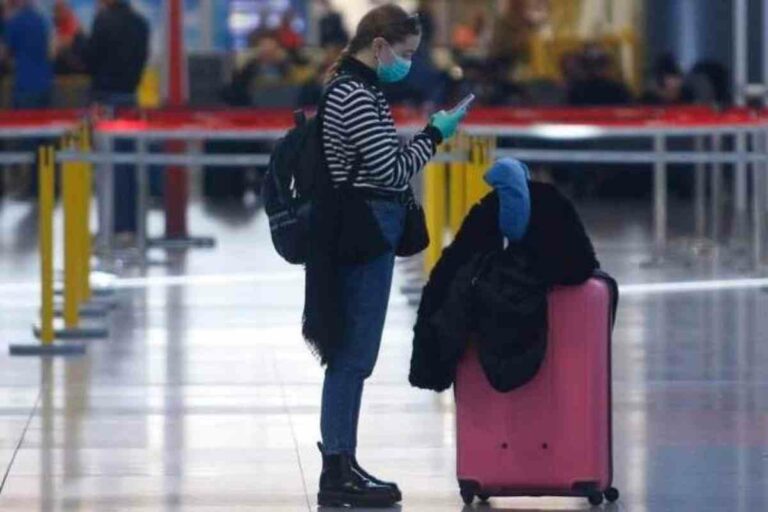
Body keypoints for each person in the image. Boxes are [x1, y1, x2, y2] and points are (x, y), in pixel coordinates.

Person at [302, 4, 467, 508]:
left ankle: (343, 461)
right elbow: (393, 171)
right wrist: (435, 134)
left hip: (362, 227)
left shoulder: (357, 86)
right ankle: (337, 469)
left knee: (352, 354)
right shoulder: (354, 94)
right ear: (378, 46)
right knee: (352, 356)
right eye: (405, 52)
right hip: (363, 229)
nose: (408, 63)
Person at [410, 158, 599, 391]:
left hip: (484, 382)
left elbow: (442, 283)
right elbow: (581, 266)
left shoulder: (483, 219)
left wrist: (428, 372)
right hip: (556, 381)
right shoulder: (556, 212)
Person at [86, 0, 149, 242]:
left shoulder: (103, 21)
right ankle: (129, 226)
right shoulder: (141, 24)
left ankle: (110, 227)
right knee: (129, 165)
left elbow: (90, 61)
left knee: (107, 166)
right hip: (130, 100)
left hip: (105, 100)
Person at [3, 0, 53, 109]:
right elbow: (49, 50)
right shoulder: (41, 21)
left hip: (25, 84)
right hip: (45, 83)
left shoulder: (15, 22)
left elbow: (6, 53)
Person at [53, 0, 87, 74]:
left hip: (76, 67)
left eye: (58, 10)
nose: (55, 14)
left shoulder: (72, 23)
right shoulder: (60, 24)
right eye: (55, 10)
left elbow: (64, 44)